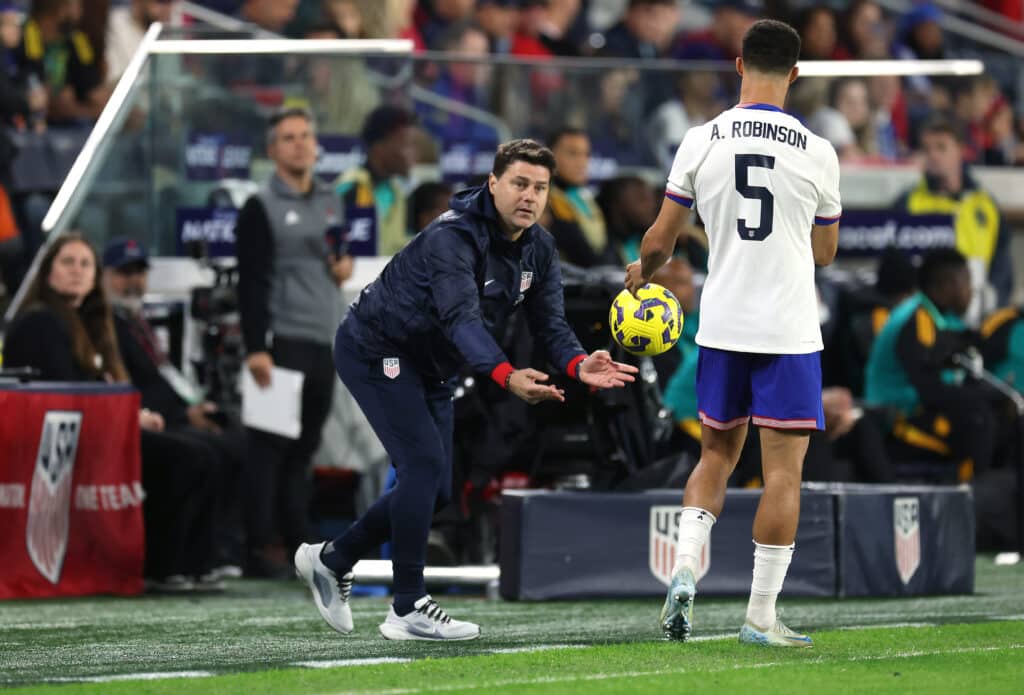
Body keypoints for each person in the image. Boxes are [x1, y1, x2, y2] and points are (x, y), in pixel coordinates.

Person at [294, 139, 638, 641]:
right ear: (493, 184)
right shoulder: (452, 238)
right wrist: (505, 375)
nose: (530, 196)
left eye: (540, 188)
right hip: (377, 348)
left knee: (437, 490)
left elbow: (551, 325)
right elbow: (461, 321)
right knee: (422, 467)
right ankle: (407, 606)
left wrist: (579, 362)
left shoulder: (538, 247)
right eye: (520, 183)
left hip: (433, 366)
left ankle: (332, 559)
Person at [625, 20, 841, 647]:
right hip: (789, 329)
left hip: (721, 325)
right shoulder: (818, 150)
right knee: (781, 475)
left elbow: (661, 241)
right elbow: (825, 253)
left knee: (715, 456)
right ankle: (760, 616)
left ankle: (686, 566)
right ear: (795, 74)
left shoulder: (701, 138)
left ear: (738, 65)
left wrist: (643, 273)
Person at [3, 233, 223, 591]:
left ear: (94, 276)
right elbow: (64, 395)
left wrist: (130, 416)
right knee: (186, 457)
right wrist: (127, 419)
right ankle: (161, 567)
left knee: (204, 451)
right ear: (48, 273)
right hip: (57, 443)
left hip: (93, 430)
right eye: (67, 263)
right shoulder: (40, 321)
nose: (77, 271)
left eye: (85, 264)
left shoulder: (91, 325)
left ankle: (194, 565)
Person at [234, 107, 354, 574]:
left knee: (305, 447)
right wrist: (255, 347)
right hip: (282, 340)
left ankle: (296, 541)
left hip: (323, 337)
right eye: (289, 138)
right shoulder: (260, 206)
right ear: (272, 150)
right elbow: (251, 283)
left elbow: (338, 253)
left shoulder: (330, 198)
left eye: (306, 135)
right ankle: (261, 547)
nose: (300, 144)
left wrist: (342, 266)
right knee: (269, 448)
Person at [102, 236, 247, 576]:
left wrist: (193, 407)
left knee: (235, 443)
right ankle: (181, 560)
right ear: (105, 276)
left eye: (139, 272)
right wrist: (183, 415)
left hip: (171, 413)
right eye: (124, 272)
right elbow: (135, 387)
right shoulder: (107, 326)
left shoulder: (138, 323)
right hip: (147, 420)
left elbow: (165, 379)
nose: (133, 280)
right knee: (202, 452)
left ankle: (213, 553)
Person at [864, 249, 996, 479]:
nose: (970, 290)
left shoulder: (940, 318)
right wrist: (984, 395)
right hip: (895, 422)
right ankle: (972, 497)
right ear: (944, 286)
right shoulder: (916, 320)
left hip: (918, 413)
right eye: (965, 281)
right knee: (975, 422)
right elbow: (930, 391)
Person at [897, 118, 1012, 322]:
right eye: (926, 149)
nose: (933, 156)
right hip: (926, 313)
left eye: (941, 148)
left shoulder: (985, 204)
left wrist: (994, 306)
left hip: (979, 311)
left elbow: (1002, 266)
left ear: (960, 150)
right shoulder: (908, 203)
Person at [335, 104, 418, 257]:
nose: (414, 155)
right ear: (380, 147)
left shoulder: (398, 193)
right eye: (406, 145)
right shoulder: (350, 189)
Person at [544, 127, 610, 268]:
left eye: (586, 154)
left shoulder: (585, 196)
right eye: (572, 154)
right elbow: (579, 252)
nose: (582, 162)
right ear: (550, 156)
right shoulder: (547, 198)